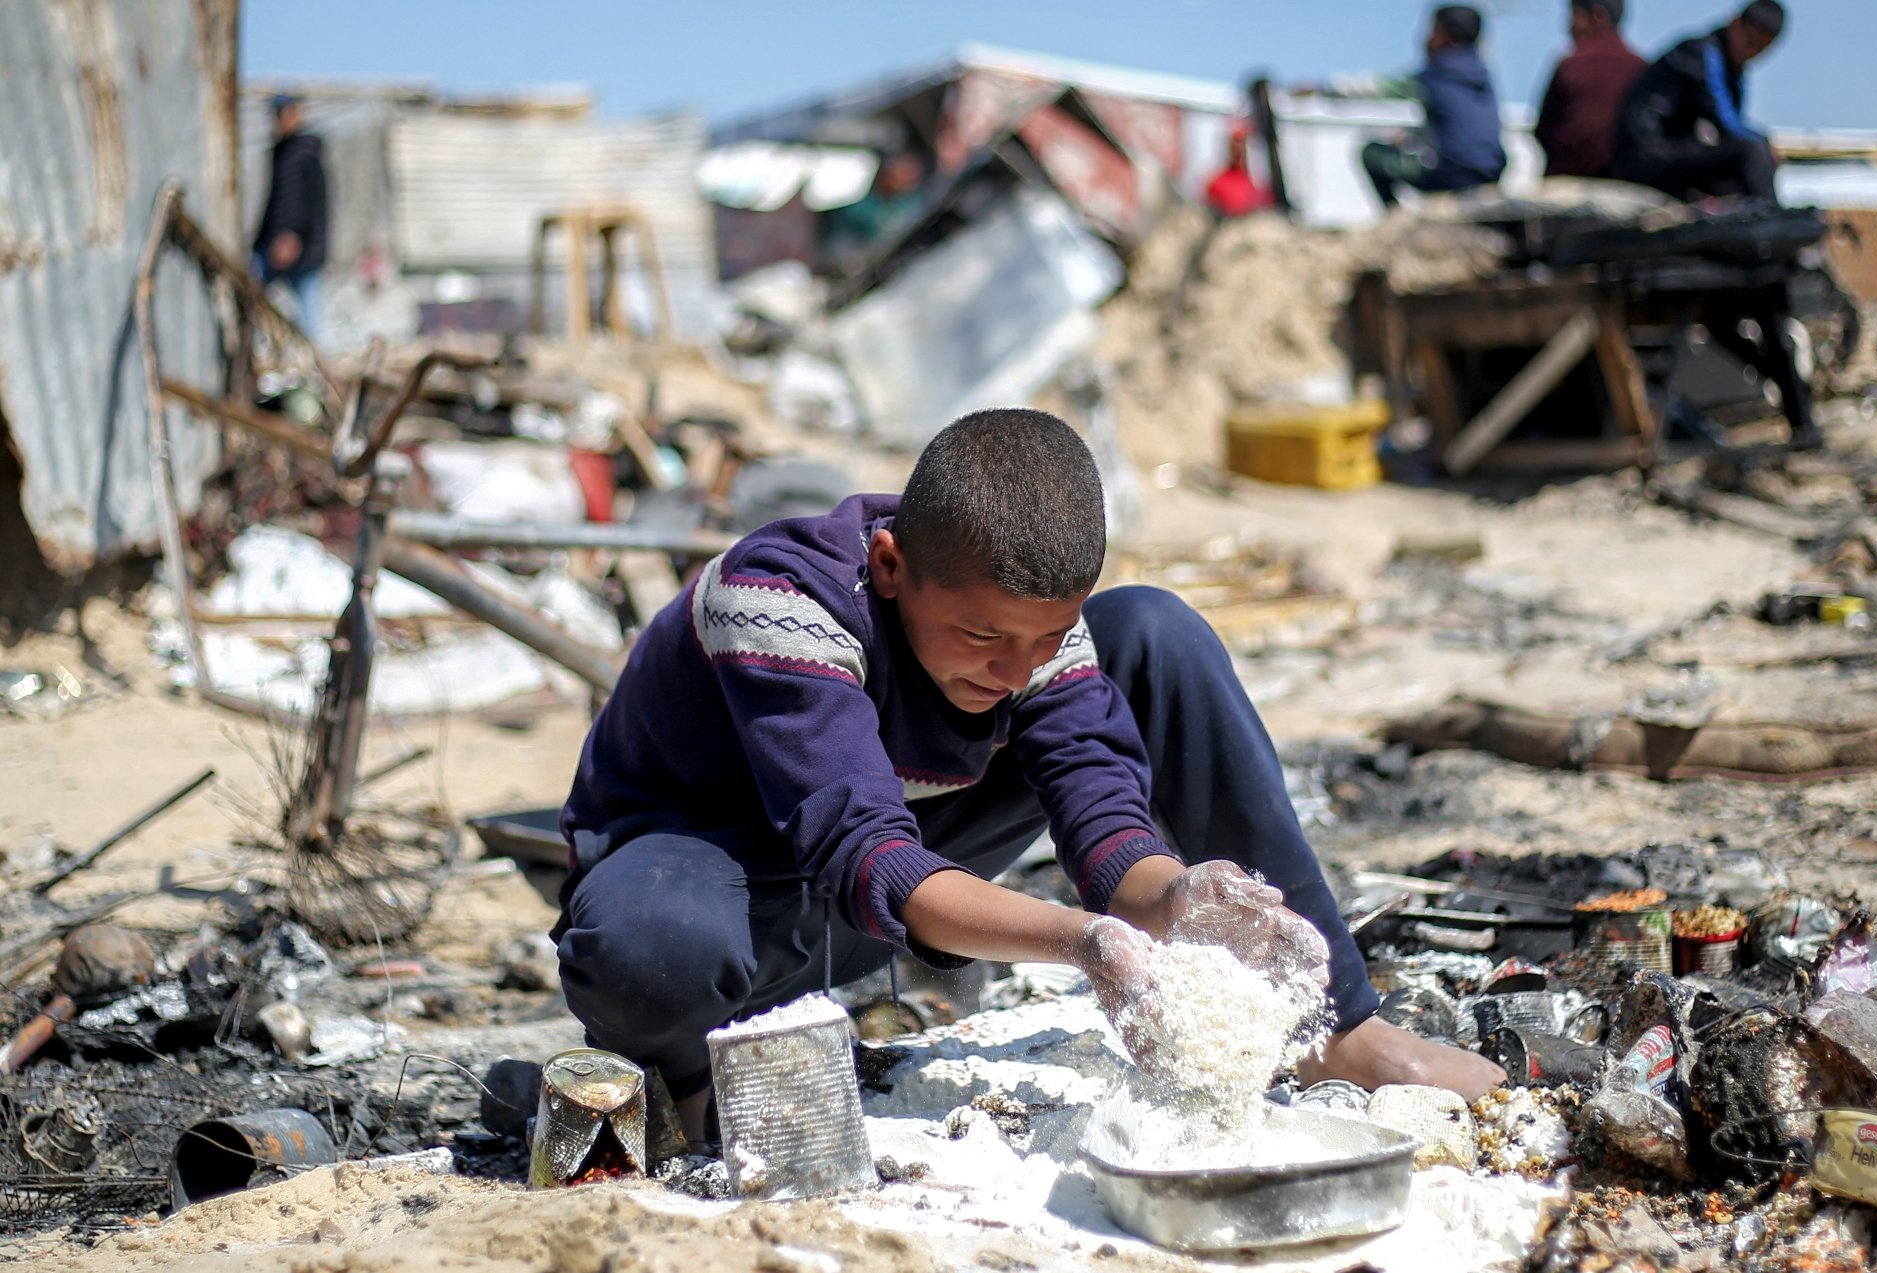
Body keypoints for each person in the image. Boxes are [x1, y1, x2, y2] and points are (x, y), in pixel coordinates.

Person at [555, 409, 1505, 1143]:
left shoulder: (1036, 631)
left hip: (889, 890)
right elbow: (868, 854)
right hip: (724, 885)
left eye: (1044, 639)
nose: (1013, 671)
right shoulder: (776, 597)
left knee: (1157, 632)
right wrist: (1086, 941)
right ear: (889, 566)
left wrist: (1177, 897)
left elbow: (1106, 827)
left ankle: (1336, 1027)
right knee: (653, 946)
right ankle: (685, 1081)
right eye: (979, 637)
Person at [1608, 1, 1786, 201]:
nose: (1752, 53)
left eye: (1761, 49)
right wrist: (1763, 143)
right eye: (1750, 42)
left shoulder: (1730, 66)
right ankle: (1772, 220)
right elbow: (1724, 120)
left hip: (1670, 152)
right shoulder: (1702, 53)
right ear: (1735, 24)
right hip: (1643, 155)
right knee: (1752, 150)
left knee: (1738, 175)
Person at [1361, 5, 1508, 210]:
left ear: (1450, 37)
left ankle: (1394, 216)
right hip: (1491, 172)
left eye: (1433, 31)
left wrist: (1323, 88)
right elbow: (1458, 126)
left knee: (1370, 153)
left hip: (1448, 172)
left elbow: (1377, 88)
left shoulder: (1432, 76)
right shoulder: (1482, 76)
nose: (1425, 39)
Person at [1534, 0, 1647, 179]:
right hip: (1627, 178)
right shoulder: (1642, 68)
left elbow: (1543, 130)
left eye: (1573, 17)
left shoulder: (1571, 65)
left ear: (1597, 17)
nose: (1569, 27)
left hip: (1571, 178)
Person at [251, 94, 328, 340]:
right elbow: (274, 203)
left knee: (311, 317)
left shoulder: (303, 154)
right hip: (275, 244)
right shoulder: (283, 153)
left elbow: (302, 203)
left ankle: (321, 369)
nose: (280, 121)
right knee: (249, 294)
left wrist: (292, 236)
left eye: (284, 114)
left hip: (298, 248)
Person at [1204, 126, 1271, 219]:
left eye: (1243, 145)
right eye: (1236, 144)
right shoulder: (1217, 184)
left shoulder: (1258, 185)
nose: (1240, 150)